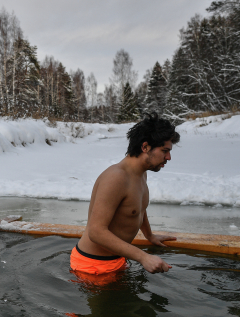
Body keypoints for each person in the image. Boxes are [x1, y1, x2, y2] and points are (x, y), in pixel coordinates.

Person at [72, 113, 181, 275]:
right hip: (92, 265)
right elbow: (96, 232)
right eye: (165, 151)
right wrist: (143, 257)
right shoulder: (116, 178)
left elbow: (138, 208)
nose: (169, 157)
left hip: (117, 259)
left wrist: (149, 235)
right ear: (145, 147)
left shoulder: (141, 173)